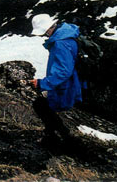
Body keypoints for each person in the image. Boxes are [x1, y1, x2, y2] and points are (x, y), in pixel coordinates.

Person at [29, 13, 84, 148]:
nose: (44, 36)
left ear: (47, 29)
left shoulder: (60, 43)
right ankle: (56, 135)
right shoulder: (66, 34)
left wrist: (42, 83)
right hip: (72, 81)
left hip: (67, 84)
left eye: (43, 33)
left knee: (41, 105)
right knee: (44, 104)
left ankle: (62, 138)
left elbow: (64, 71)